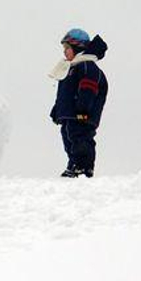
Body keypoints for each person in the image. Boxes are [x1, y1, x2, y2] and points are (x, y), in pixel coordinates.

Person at [49, 28, 108, 178]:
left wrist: (83, 109)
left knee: (80, 137)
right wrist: (57, 110)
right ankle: (74, 164)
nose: (64, 52)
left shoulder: (87, 66)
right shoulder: (71, 68)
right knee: (68, 138)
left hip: (82, 114)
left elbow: (88, 90)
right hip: (71, 114)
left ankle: (84, 166)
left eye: (67, 48)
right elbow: (65, 94)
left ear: (77, 48)